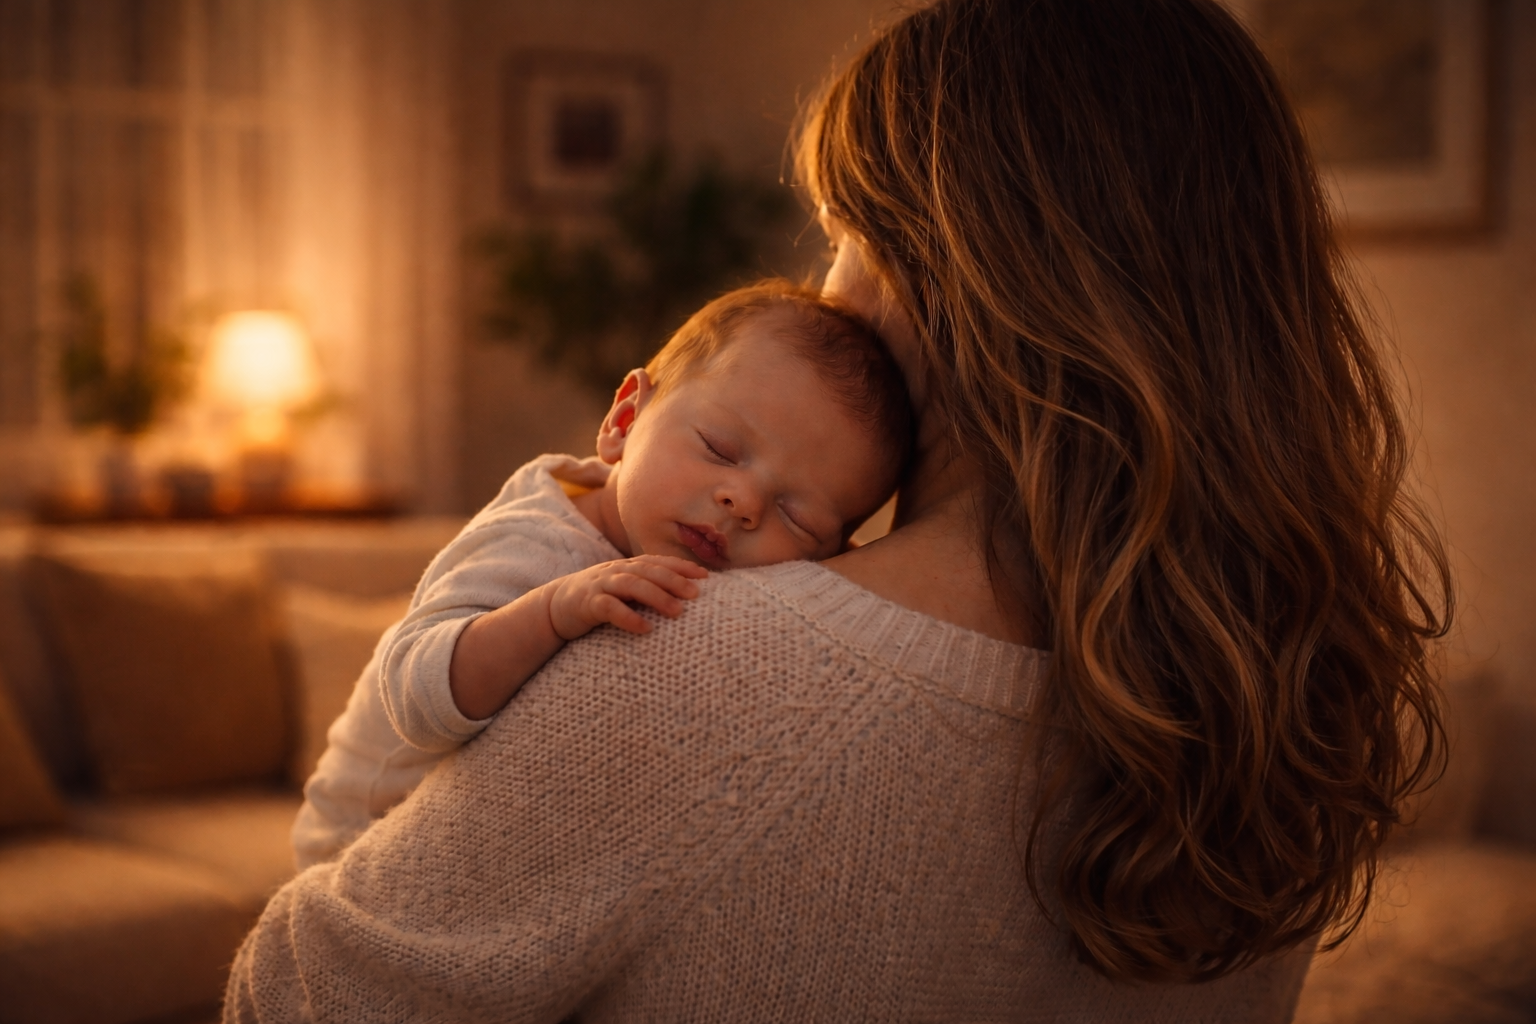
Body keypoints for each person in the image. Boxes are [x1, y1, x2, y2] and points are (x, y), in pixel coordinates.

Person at [227, 0, 1451, 1020]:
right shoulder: (1280, 700)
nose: (825, 289)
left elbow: (290, 999)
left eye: (841, 233)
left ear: (947, 275)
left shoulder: (680, 663)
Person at [291, 280, 913, 868]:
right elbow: (415, 697)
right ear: (624, 422)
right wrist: (553, 609)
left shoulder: (746, 575)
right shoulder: (536, 540)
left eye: (796, 516)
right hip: (357, 838)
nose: (743, 502)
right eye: (720, 449)